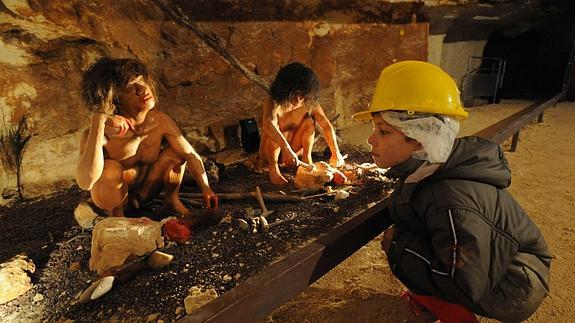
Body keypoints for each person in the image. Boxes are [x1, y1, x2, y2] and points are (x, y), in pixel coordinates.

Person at [352, 60, 551, 322]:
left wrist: (399, 247)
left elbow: (466, 285)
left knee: (398, 240)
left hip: (514, 288)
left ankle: (456, 316)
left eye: (383, 131)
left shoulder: (450, 199)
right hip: (501, 268)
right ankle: (431, 294)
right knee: (409, 230)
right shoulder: (429, 168)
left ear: (421, 138)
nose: (370, 139)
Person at [76, 57, 218, 217]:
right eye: (130, 88)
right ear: (114, 98)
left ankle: (172, 201)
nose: (142, 89)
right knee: (110, 169)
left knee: (175, 153)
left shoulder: (159, 121)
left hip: (145, 195)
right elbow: (85, 182)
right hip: (114, 204)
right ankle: (118, 220)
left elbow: (190, 154)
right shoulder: (101, 134)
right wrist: (99, 120)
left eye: (142, 81)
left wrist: (206, 188)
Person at [259, 62, 345, 185]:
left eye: (302, 95)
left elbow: (326, 125)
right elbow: (268, 124)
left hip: (295, 154)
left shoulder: (309, 104)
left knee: (309, 122)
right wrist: (285, 148)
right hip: (273, 155)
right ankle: (274, 169)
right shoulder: (273, 103)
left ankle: (307, 158)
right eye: (295, 94)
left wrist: (336, 153)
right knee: (273, 127)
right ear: (286, 90)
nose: (299, 99)